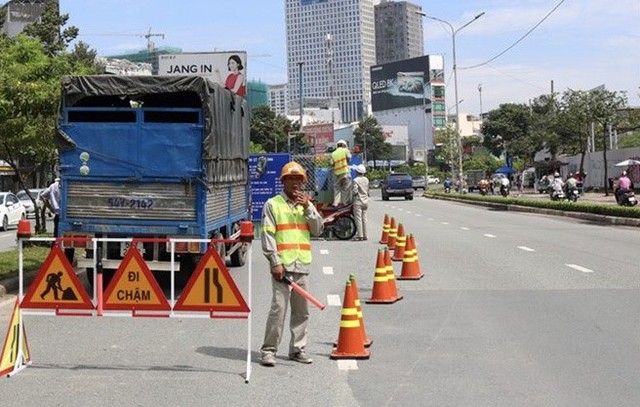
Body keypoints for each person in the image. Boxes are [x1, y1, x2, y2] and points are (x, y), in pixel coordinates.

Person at [260, 161, 324, 367]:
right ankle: (269, 350)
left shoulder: (307, 204)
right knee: (278, 309)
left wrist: (307, 208)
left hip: (301, 265)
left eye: (299, 179)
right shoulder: (273, 204)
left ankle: (298, 349)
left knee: (301, 311)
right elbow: (268, 234)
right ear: (284, 181)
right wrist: (274, 261)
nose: (295, 183)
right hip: (282, 267)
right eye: (291, 179)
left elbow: (318, 230)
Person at [330, 140, 352, 206]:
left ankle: (336, 203)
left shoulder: (333, 153)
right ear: (344, 145)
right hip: (345, 172)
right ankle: (345, 203)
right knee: (346, 188)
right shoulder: (345, 150)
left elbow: (331, 163)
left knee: (337, 188)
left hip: (337, 173)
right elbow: (349, 157)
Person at [351, 164, 369, 241]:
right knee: (364, 219)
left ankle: (360, 236)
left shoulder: (356, 180)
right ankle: (365, 235)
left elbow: (355, 191)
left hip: (358, 201)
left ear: (357, 172)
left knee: (358, 219)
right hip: (365, 201)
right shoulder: (366, 179)